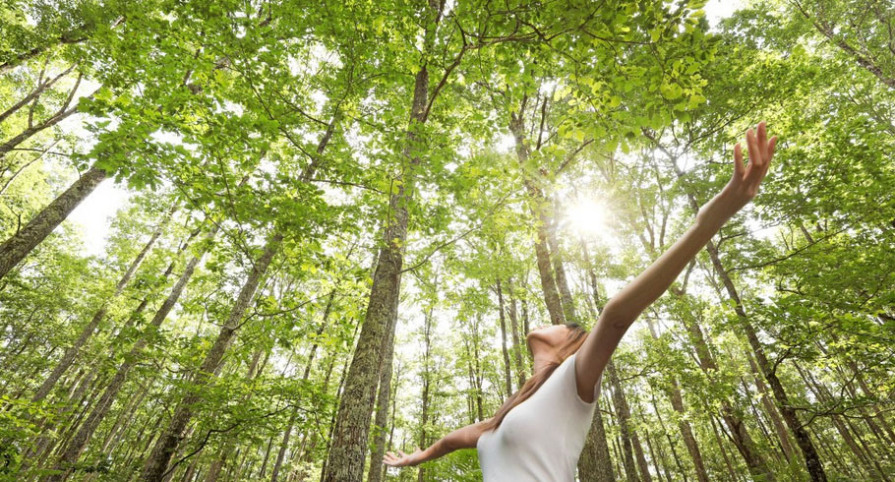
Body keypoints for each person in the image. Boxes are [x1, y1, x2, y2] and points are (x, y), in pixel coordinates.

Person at [383, 122, 778, 479]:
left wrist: (707, 222)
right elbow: (450, 442)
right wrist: (413, 459)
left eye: (564, 324)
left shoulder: (574, 379)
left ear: (570, 343)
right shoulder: (499, 422)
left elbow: (615, 317)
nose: (550, 322)